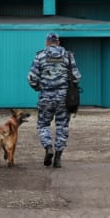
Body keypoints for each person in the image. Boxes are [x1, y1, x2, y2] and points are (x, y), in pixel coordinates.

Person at [27, 32, 81, 168]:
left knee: (43, 125)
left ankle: (48, 147)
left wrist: (40, 87)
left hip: (46, 97)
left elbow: (32, 78)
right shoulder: (68, 56)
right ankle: (58, 157)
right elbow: (76, 77)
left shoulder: (40, 56)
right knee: (62, 126)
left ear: (47, 42)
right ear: (58, 42)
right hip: (64, 98)